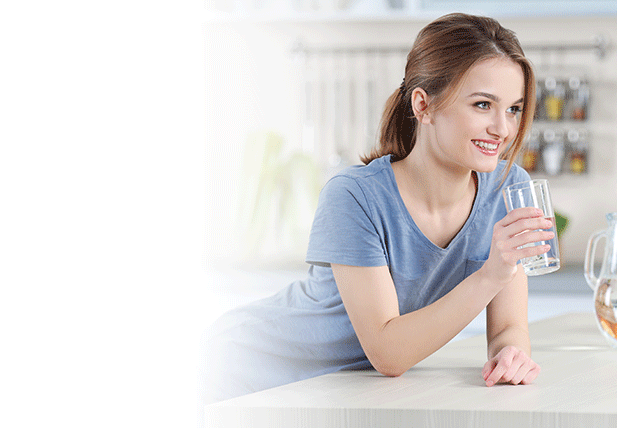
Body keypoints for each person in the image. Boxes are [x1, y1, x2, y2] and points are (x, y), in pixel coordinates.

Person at [200, 12, 551, 406]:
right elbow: (388, 353)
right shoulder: (354, 197)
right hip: (247, 373)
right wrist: (492, 275)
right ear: (424, 105)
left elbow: (507, 328)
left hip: (350, 393)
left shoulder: (510, 189)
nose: (502, 129)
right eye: (483, 104)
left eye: (514, 109)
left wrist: (511, 355)